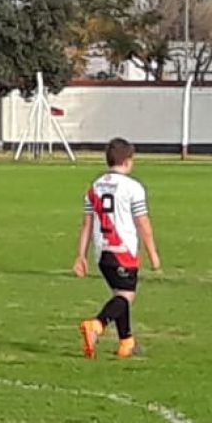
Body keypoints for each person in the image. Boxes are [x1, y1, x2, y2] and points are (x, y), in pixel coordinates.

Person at [73, 138, 161, 359]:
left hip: (102, 252)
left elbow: (87, 224)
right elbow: (143, 222)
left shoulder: (95, 186)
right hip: (123, 249)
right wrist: (153, 253)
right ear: (128, 161)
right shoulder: (133, 187)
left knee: (119, 295)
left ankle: (126, 342)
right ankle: (97, 325)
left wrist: (81, 255)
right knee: (126, 297)